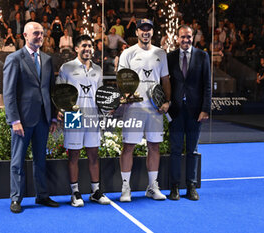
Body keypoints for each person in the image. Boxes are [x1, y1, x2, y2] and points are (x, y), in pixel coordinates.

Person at [3, 22, 59, 213]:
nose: (40, 36)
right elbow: (8, 93)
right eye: (36, 33)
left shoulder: (47, 59)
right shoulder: (14, 58)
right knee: (17, 160)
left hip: (43, 119)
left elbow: (51, 91)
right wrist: (14, 120)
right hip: (23, 121)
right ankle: (16, 199)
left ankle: (42, 196)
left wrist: (53, 118)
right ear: (25, 36)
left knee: (40, 159)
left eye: (42, 33)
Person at [117, 19, 171, 202]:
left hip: (155, 109)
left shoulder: (160, 53)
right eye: (142, 29)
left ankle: (152, 187)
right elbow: (122, 80)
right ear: (137, 31)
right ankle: (125, 188)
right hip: (134, 108)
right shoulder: (128, 53)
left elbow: (165, 80)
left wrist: (167, 101)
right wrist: (126, 95)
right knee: (128, 147)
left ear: (152, 32)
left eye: (148, 29)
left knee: (154, 146)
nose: (145, 32)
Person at [56, 35, 110, 207]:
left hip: (93, 116)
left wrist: (109, 106)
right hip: (74, 116)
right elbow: (59, 93)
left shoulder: (98, 70)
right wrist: (60, 109)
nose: (87, 49)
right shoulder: (66, 67)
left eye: (90, 46)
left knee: (94, 154)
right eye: (84, 46)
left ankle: (95, 191)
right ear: (77, 49)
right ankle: (75, 192)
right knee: (74, 154)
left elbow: (101, 95)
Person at [167, 25, 211, 201]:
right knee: (176, 149)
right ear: (177, 38)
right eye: (182, 37)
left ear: (193, 38)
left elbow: (207, 85)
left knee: (192, 150)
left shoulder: (203, 56)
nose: (186, 40)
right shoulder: (169, 57)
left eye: (189, 37)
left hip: (195, 112)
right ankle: (175, 187)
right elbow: (165, 83)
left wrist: (205, 109)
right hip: (175, 111)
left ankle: (191, 186)